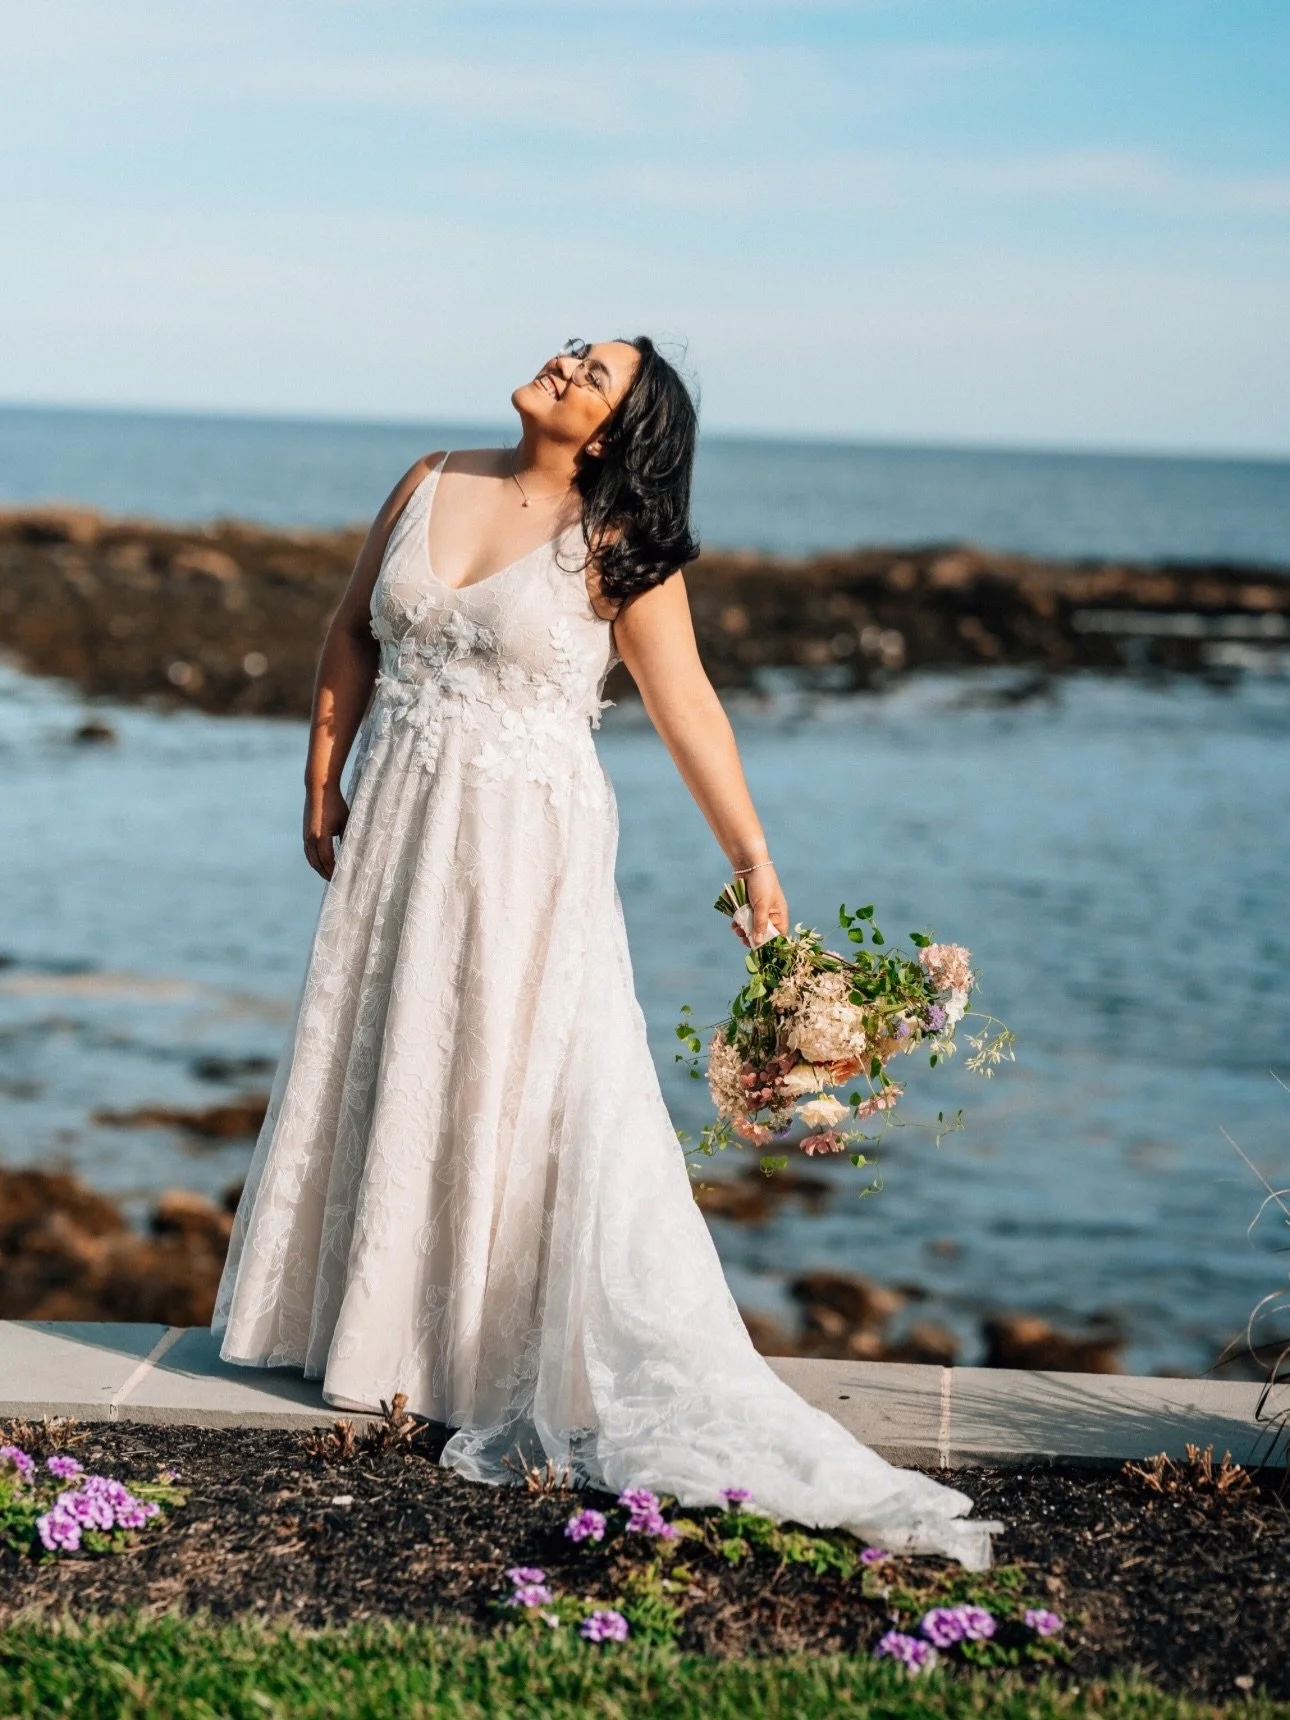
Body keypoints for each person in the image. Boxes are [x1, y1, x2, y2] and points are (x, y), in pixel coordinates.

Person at [213, 336, 996, 1567]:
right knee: (391, 1049)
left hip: (528, 845)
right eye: (575, 345)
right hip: (402, 819)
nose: (569, 362)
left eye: (602, 373)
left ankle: (475, 1349)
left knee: (512, 1082)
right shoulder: (426, 476)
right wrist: (320, 776)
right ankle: (368, 1333)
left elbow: (688, 707)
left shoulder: (621, 544)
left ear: (621, 431)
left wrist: (754, 858)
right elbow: (351, 631)